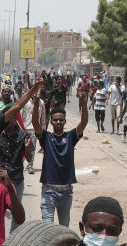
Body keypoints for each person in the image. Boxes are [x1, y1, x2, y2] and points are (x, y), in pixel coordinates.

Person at [32, 86, 88, 227]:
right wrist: (37, 103)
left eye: (61, 120)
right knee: (47, 229)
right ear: (51, 122)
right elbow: (35, 123)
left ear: (65, 122)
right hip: (48, 190)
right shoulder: (46, 137)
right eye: (55, 120)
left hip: (66, 191)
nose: (58, 122)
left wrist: (84, 103)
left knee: (64, 229)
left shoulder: (70, 137)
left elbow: (84, 123)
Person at [0, 109, 33, 233]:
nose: (7, 121)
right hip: (0, 181)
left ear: (15, 119)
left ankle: (12, 241)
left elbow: (29, 159)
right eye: (5, 119)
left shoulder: (24, 136)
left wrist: (27, 148)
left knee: (16, 212)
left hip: (17, 179)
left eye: (10, 118)